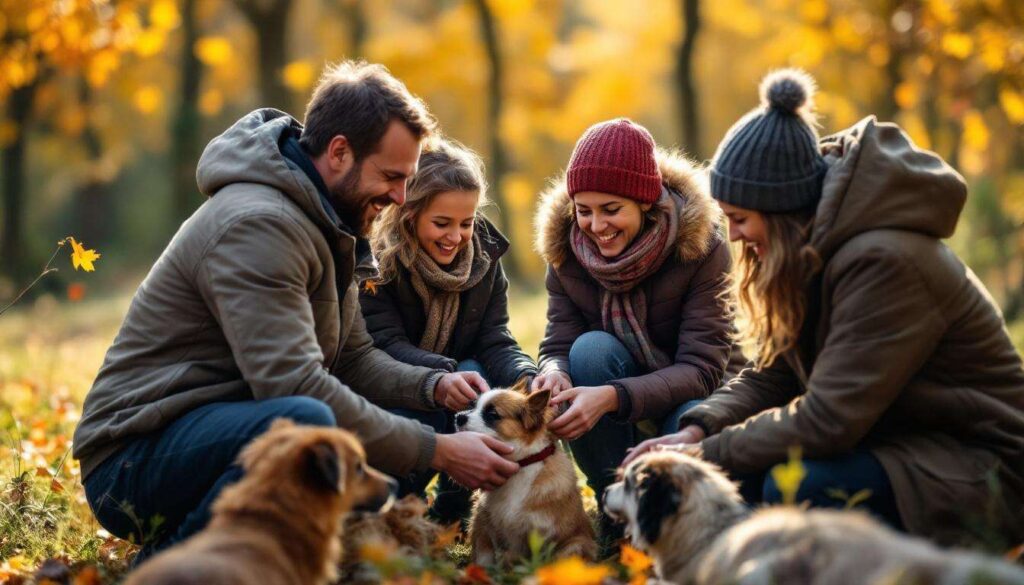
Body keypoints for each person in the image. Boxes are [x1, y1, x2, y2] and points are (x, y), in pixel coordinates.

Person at [73, 61, 519, 562]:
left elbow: (354, 358)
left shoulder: (329, 225)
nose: (399, 198)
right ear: (339, 152)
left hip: (217, 436)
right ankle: (174, 564)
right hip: (133, 461)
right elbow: (290, 386)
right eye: (392, 177)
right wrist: (437, 450)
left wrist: (431, 386)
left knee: (322, 416)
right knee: (303, 418)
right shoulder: (260, 225)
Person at [627, 69, 1024, 548]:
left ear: (780, 210)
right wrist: (698, 427)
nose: (731, 235)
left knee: (795, 483)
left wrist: (707, 452)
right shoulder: (814, 250)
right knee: (698, 426)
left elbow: (829, 420)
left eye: (739, 219)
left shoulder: (883, 260)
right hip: (893, 440)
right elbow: (775, 374)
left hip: (976, 465)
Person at [532, 118, 735, 550]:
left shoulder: (701, 248)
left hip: (688, 395)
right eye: (583, 210)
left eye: (611, 210)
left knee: (693, 417)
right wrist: (553, 371)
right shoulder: (566, 251)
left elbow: (703, 370)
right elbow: (558, 343)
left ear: (645, 202)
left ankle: (676, 523)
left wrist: (611, 396)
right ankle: (615, 510)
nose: (595, 225)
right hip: (613, 383)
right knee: (586, 351)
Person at [360, 138, 537, 521]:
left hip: (462, 379)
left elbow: (495, 339)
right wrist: (444, 373)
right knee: (455, 382)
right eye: (441, 223)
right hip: (398, 389)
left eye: (466, 223)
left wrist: (527, 376)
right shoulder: (377, 265)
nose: (455, 236)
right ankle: (402, 504)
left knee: (479, 373)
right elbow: (383, 343)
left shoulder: (486, 259)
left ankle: (456, 509)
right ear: (409, 214)